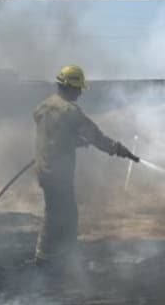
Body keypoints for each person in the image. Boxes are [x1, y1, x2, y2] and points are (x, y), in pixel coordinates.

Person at [32, 64, 138, 263]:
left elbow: (52, 133)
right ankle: (53, 257)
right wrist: (117, 149)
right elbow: (96, 137)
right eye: (78, 88)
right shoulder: (70, 111)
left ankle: (56, 255)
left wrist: (71, 140)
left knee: (58, 211)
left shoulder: (43, 106)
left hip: (44, 168)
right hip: (58, 172)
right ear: (69, 86)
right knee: (63, 215)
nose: (80, 93)